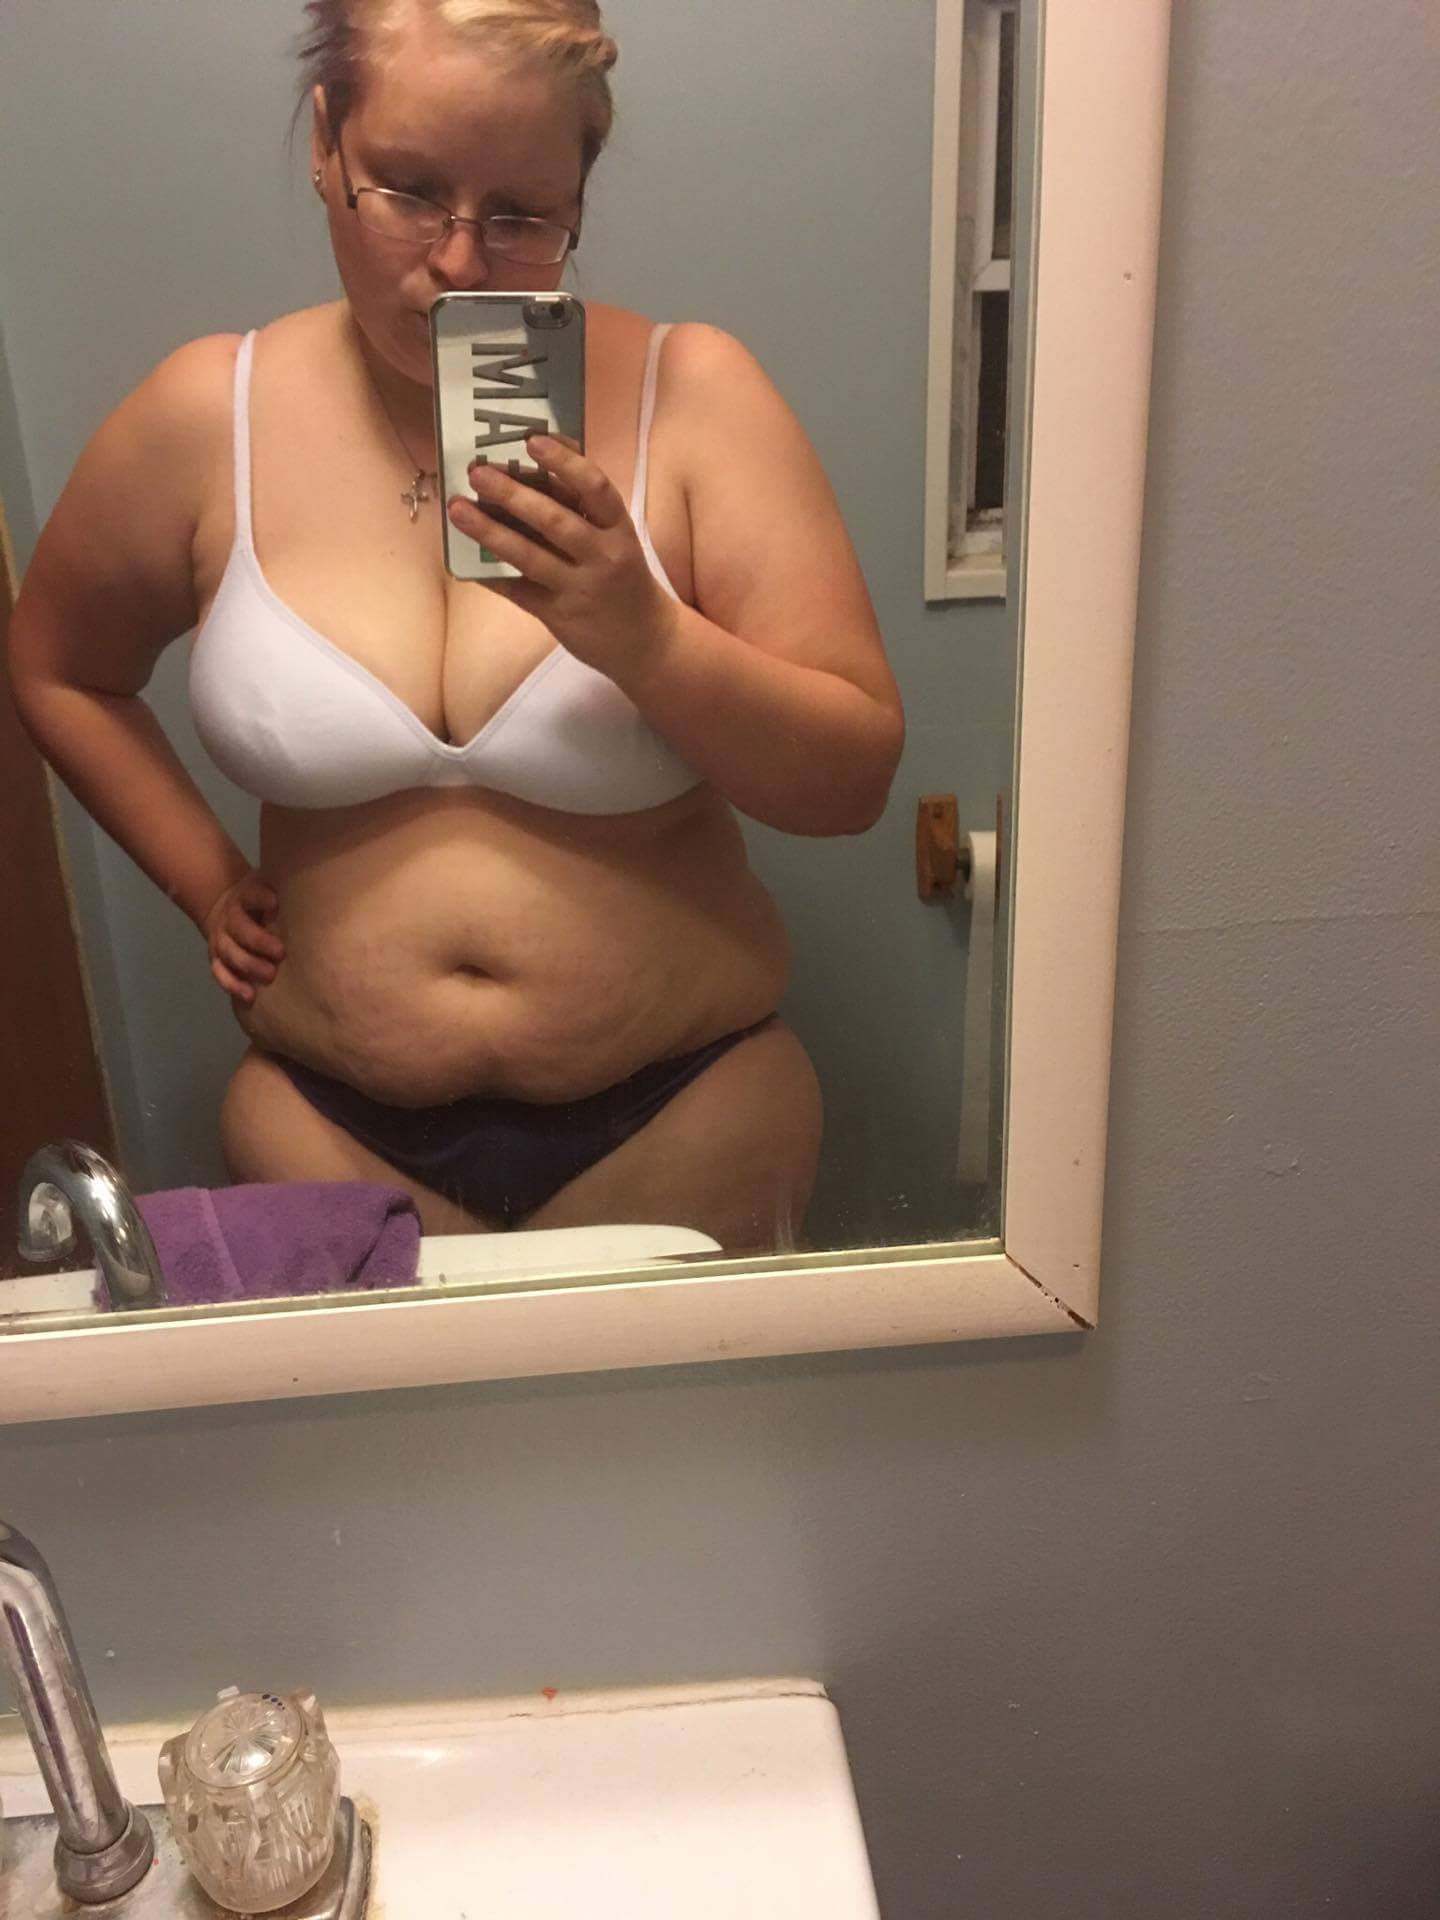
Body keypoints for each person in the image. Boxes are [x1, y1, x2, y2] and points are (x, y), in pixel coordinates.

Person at [7, 0, 904, 1251]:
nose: (461, 263)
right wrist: (205, 882)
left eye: (523, 215)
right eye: (410, 192)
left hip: (685, 1115)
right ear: (327, 141)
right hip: (328, 1131)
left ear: (581, 194)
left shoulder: (695, 396)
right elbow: (57, 666)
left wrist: (646, 638)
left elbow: (852, 778)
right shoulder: (207, 417)